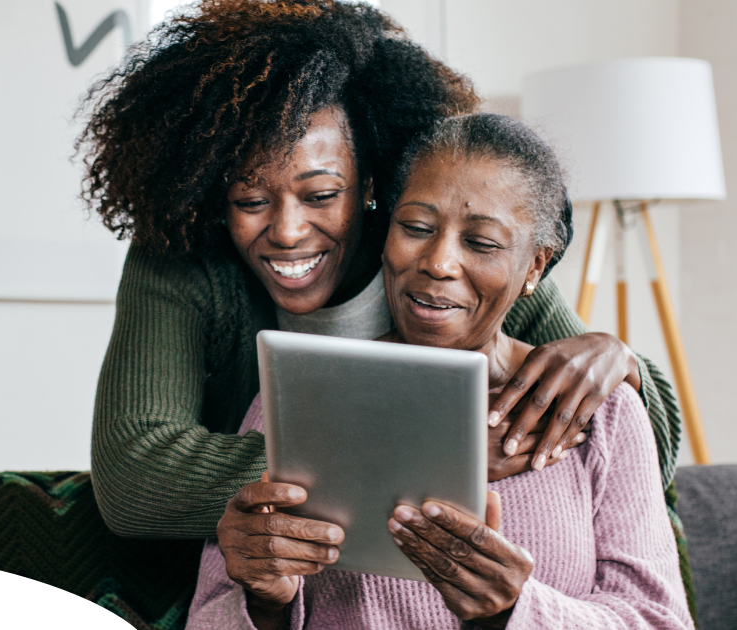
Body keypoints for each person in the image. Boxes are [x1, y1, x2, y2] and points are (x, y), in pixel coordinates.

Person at [80, 0, 681, 544]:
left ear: (371, 185)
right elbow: (135, 480)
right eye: (250, 201)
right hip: (262, 573)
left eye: (321, 196)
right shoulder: (183, 256)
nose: (287, 231)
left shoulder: (448, 258)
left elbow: (645, 451)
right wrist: (428, 455)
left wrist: (619, 362)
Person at [188, 113, 694, 630]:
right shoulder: (296, 393)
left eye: (481, 243)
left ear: (535, 267)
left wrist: (516, 612)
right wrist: (262, 604)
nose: (438, 262)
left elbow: (660, 622)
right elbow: (208, 621)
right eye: (416, 228)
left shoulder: (604, 412)